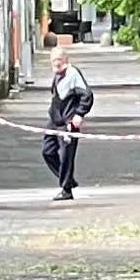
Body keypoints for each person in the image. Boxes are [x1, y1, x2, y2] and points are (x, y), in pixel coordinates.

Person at [40, 55, 94, 198]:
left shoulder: (73, 75)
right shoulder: (57, 76)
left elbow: (87, 95)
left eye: (59, 65)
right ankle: (68, 180)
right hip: (54, 120)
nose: (56, 68)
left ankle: (66, 190)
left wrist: (79, 114)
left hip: (68, 122)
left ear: (65, 62)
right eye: (54, 65)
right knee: (47, 151)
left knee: (66, 156)